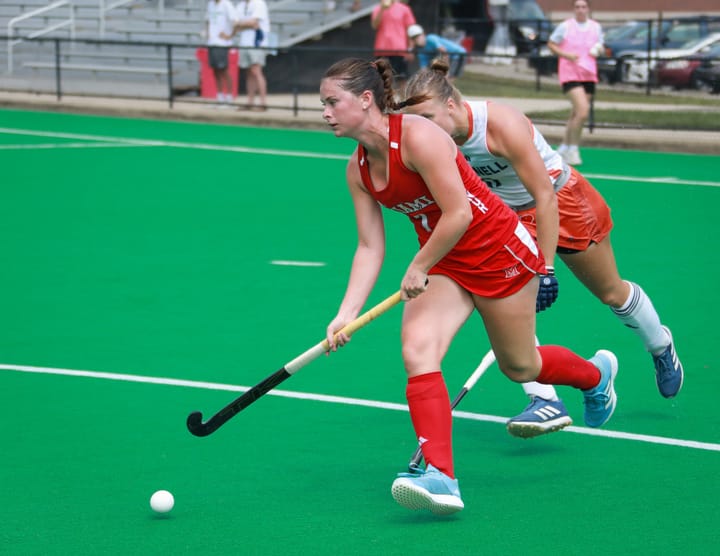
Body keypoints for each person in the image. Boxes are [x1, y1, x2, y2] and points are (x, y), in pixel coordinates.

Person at [320, 57, 618, 515]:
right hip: (445, 261)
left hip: (499, 250)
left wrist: (418, 264)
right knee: (418, 350)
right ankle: (441, 476)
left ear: (364, 100)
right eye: (323, 103)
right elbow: (368, 247)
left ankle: (596, 376)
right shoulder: (357, 170)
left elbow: (458, 212)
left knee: (520, 366)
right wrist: (347, 312)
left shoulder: (419, 137)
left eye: (331, 102)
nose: (325, 112)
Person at [402, 59, 684, 439]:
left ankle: (660, 345)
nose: (424, 129)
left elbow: (544, 196)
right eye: (415, 122)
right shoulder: (433, 143)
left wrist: (546, 268)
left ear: (450, 105)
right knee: (499, 299)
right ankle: (544, 399)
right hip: (506, 220)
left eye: (428, 117)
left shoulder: (499, 124)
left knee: (610, 291)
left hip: (562, 201)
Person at [547, 0, 603, 166]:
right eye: (577, 7)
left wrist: (598, 49)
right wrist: (566, 54)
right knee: (583, 111)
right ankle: (573, 148)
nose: (580, 10)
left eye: (583, 7)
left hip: (589, 73)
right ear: (574, 9)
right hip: (570, 73)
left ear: (588, 9)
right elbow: (551, 44)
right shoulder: (566, 26)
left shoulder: (595, 27)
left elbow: (600, 44)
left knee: (576, 114)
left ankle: (564, 146)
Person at [233, 0, 270, 111]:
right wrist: (245, 24)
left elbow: (253, 23)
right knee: (249, 73)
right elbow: (236, 25)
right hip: (245, 43)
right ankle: (250, 102)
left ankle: (263, 103)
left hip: (257, 43)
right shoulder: (240, 5)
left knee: (256, 71)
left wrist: (240, 23)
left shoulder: (259, 3)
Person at [370, 0, 416, 89]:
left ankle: (403, 102)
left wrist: (410, 49)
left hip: (400, 50)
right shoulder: (377, 8)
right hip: (382, 50)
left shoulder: (404, 9)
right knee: (381, 79)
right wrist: (382, 9)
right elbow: (374, 26)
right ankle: (385, 101)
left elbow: (410, 30)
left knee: (402, 79)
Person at [205, 0, 238, 107]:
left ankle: (229, 98)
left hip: (222, 43)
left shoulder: (227, 4)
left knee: (224, 70)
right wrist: (208, 34)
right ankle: (220, 97)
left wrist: (230, 36)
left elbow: (235, 22)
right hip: (212, 42)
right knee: (215, 70)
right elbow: (208, 21)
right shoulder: (210, 4)